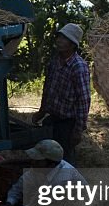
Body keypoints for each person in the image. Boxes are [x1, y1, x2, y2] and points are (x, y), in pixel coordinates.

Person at [0, 139, 84, 206]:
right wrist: (10, 203)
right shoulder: (40, 168)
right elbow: (19, 186)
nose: (33, 162)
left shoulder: (64, 179)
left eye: (37, 160)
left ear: (51, 163)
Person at [35, 23, 91, 164]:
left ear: (72, 44)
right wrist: (42, 111)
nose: (59, 40)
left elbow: (84, 101)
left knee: (65, 162)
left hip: (68, 124)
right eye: (59, 37)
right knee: (48, 160)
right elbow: (47, 88)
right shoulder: (55, 61)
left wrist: (78, 130)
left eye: (64, 38)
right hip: (53, 119)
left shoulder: (78, 66)